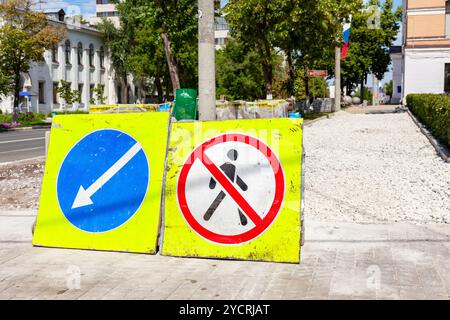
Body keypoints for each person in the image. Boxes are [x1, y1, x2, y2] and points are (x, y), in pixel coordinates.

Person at [204, 149, 249, 226]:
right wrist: (243, 186)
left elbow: (236, 178)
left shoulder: (232, 166)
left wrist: (243, 186)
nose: (235, 158)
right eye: (235, 156)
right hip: (226, 189)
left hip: (230, 190)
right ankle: (207, 216)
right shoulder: (224, 166)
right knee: (218, 202)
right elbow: (216, 175)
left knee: (235, 203)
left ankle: (243, 219)